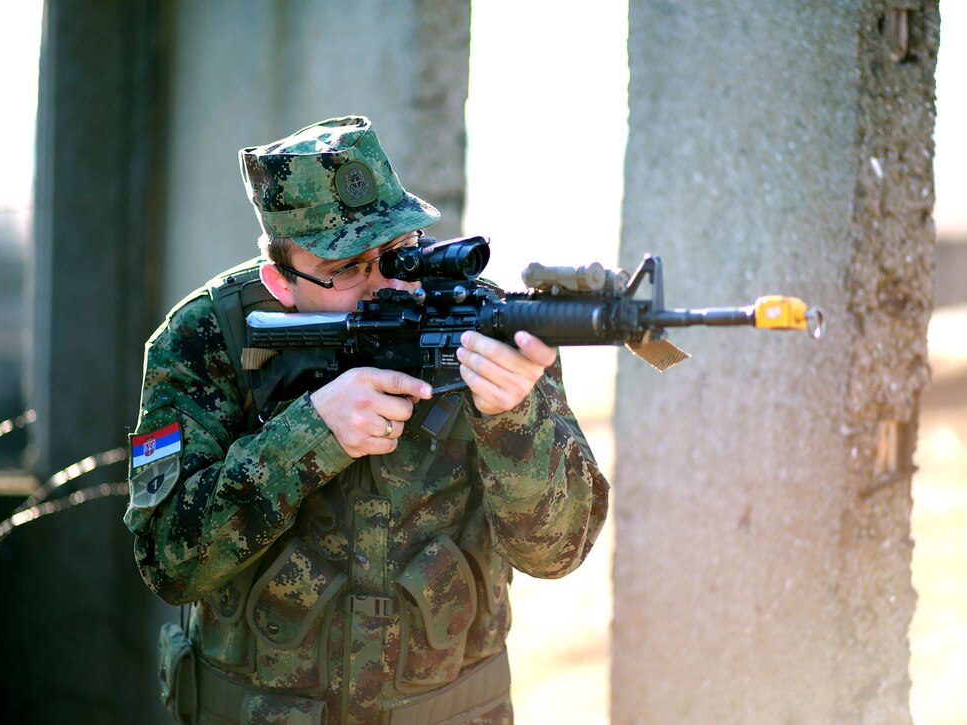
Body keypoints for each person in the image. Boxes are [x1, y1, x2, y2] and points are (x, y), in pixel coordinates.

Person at [124, 115, 609, 724]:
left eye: (397, 254)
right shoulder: (207, 338)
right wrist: (311, 437)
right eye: (347, 269)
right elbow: (169, 560)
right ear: (280, 281)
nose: (385, 285)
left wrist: (514, 416)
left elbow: (559, 552)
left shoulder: (484, 325)